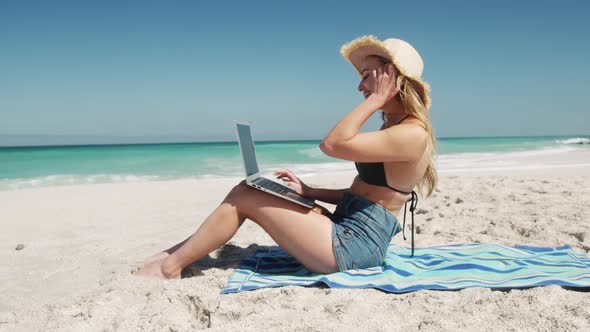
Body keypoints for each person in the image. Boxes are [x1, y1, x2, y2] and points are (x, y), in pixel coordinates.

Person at [137, 35, 437, 279]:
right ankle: (174, 254)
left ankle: (169, 267)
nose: (360, 86)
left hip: (354, 249)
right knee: (253, 189)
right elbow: (365, 194)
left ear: (392, 78)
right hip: (346, 230)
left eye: (367, 77)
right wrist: (309, 192)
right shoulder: (395, 127)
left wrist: (375, 99)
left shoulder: (412, 134)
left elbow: (333, 144)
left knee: (244, 195)